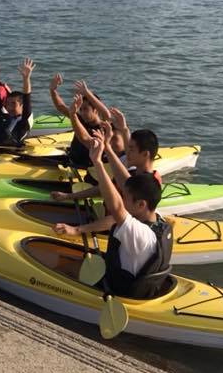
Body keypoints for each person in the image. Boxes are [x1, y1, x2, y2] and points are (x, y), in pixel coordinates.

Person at [54, 125, 173, 299]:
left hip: (115, 289)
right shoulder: (155, 218)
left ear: (140, 204)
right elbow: (125, 182)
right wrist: (107, 149)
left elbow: (116, 207)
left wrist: (98, 163)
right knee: (70, 260)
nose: (123, 201)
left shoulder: (140, 234)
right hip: (124, 276)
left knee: (61, 266)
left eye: (126, 198)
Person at [51, 108, 160, 204]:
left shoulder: (141, 184)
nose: (128, 152)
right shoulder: (133, 170)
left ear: (145, 154)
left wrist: (78, 228)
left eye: (131, 149)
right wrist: (124, 129)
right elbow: (104, 187)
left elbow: (118, 216)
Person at [49, 75, 110, 168]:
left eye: (85, 109)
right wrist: (53, 91)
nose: (82, 112)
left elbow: (106, 114)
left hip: (85, 168)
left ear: (96, 110)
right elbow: (61, 107)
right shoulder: (80, 119)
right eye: (80, 109)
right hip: (70, 161)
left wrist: (87, 93)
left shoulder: (103, 128)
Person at [0, 57, 34, 146]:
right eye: (8, 103)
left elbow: (27, 97)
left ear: (22, 106)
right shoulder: (3, 116)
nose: (9, 107)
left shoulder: (24, 122)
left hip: (7, 155)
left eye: (13, 104)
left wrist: (26, 78)